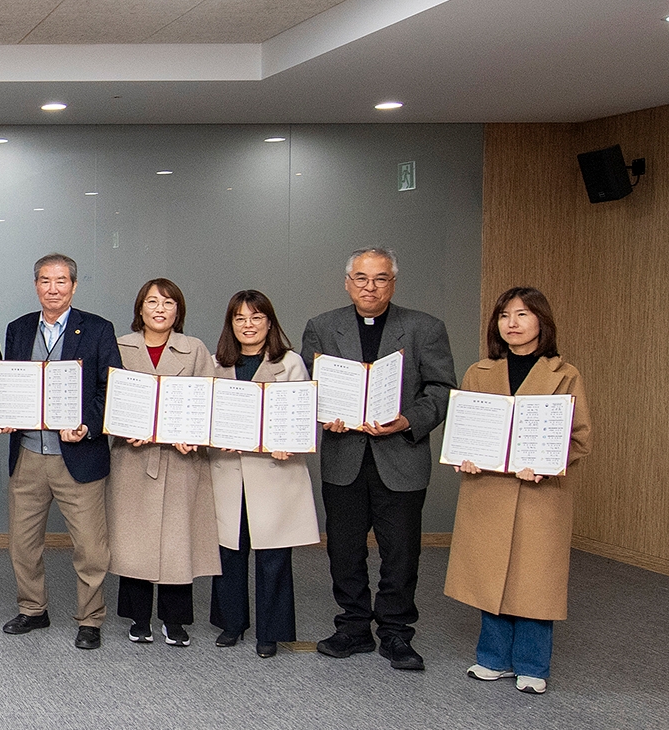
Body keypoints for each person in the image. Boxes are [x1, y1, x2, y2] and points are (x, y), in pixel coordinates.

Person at [300, 246, 456, 671]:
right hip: (344, 455)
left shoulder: (425, 328)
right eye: (362, 278)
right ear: (347, 282)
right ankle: (352, 627)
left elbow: (441, 391)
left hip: (401, 455)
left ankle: (396, 633)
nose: (370, 287)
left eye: (380, 278)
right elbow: (308, 389)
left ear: (393, 282)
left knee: (401, 552)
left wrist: (407, 419)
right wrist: (323, 414)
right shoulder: (322, 327)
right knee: (345, 551)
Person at [445, 287, 589, 694]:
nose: (512, 323)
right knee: (491, 576)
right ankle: (492, 659)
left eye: (522, 315)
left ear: (541, 321)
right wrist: (464, 456)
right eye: (505, 315)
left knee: (534, 581)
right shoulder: (480, 371)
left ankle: (532, 666)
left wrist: (546, 466)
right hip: (488, 489)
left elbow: (579, 437)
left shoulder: (566, 374)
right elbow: (466, 429)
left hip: (539, 495)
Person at [0, 253, 122, 650]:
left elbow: (110, 389)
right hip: (29, 454)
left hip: (78, 457)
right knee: (23, 541)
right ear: (36, 285)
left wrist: (87, 425)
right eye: (46, 281)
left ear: (74, 286)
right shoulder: (17, 329)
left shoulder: (98, 330)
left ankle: (90, 618)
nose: (53, 288)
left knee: (90, 547)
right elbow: (10, 385)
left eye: (61, 281)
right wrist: (5, 414)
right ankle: (33, 609)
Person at [206, 290, 320, 658]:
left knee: (273, 555)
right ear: (231, 325)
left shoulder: (289, 363)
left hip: (274, 471)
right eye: (239, 318)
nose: (248, 325)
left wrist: (292, 441)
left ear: (269, 322)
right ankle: (232, 623)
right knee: (229, 551)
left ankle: (270, 632)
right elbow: (203, 417)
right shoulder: (215, 363)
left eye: (256, 317)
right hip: (227, 471)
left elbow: (304, 416)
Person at [108, 279, 219, 646]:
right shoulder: (119, 347)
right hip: (132, 460)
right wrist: (123, 430)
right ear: (140, 309)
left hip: (180, 461)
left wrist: (195, 435)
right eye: (152, 301)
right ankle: (138, 618)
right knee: (133, 541)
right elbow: (105, 399)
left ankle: (175, 621)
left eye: (168, 303)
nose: (159, 308)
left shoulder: (195, 349)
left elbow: (210, 402)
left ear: (178, 311)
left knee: (177, 541)